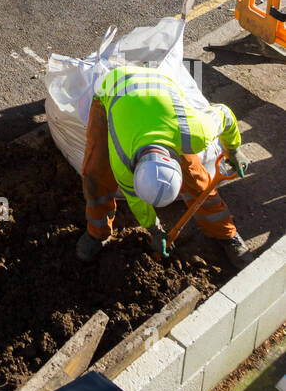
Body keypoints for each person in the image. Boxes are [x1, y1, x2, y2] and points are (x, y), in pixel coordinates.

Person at [77, 62, 250, 269]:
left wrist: (234, 150)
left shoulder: (195, 131)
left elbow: (225, 114)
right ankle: (98, 233)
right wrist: (155, 229)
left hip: (160, 85)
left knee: (196, 179)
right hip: (114, 87)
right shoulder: (122, 163)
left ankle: (225, 233)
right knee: (96, 175)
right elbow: (136, 202)